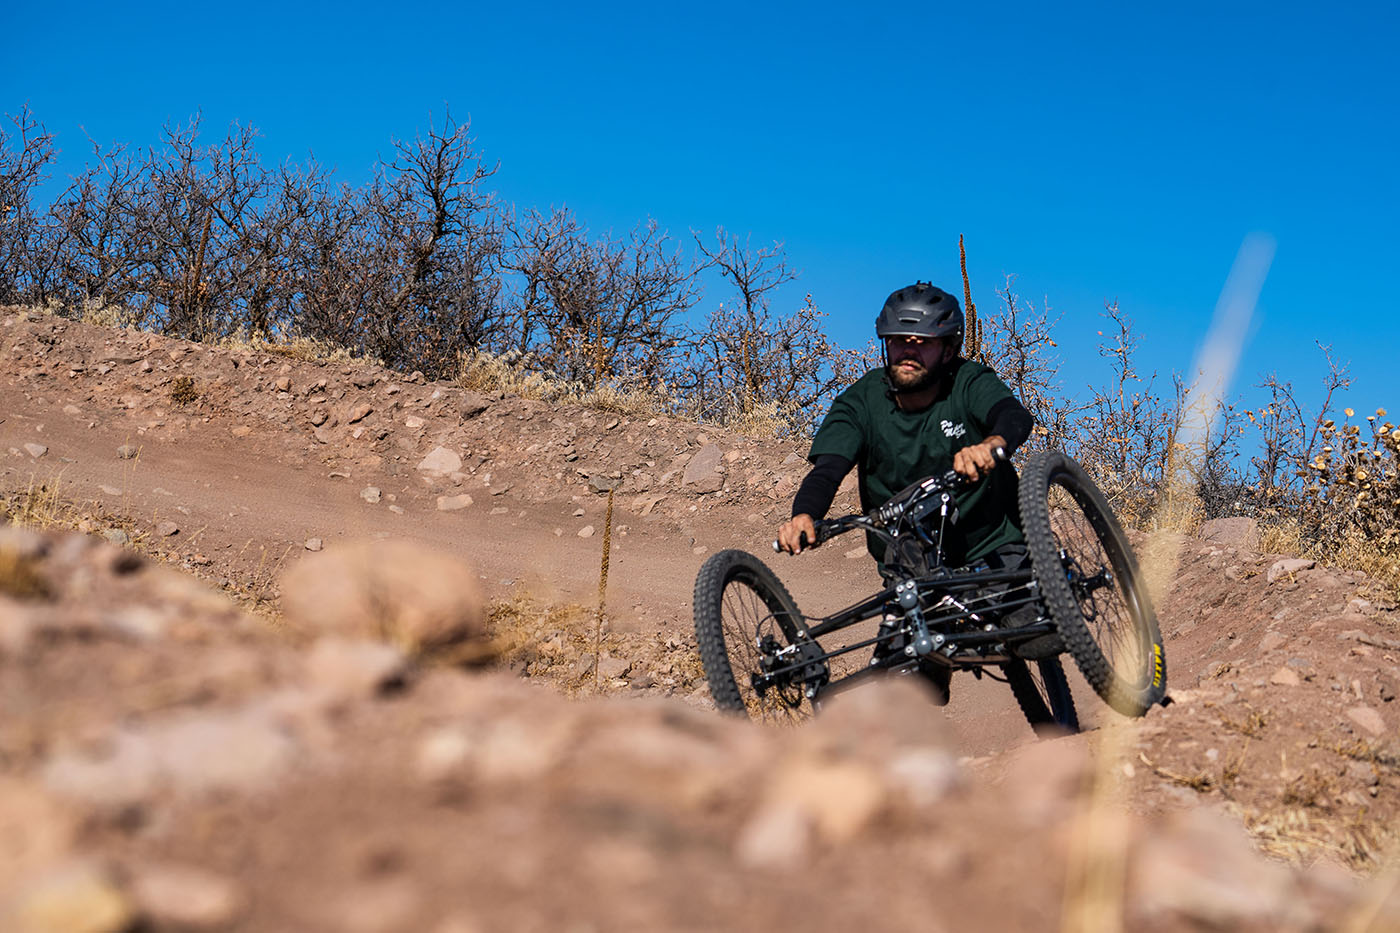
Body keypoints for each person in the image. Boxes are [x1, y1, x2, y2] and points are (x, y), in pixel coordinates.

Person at [774, 281, 1049, 701]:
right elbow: (829, 468)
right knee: (908, 693)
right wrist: (804, 515)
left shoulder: (967, 381)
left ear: (948, 348)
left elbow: (1013, 417)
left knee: (1034, 635)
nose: (908, 351)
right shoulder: (861, 401)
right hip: (912, 559)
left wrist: (991, 445)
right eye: (899, 341)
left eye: (922, 343)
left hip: (993, 543)